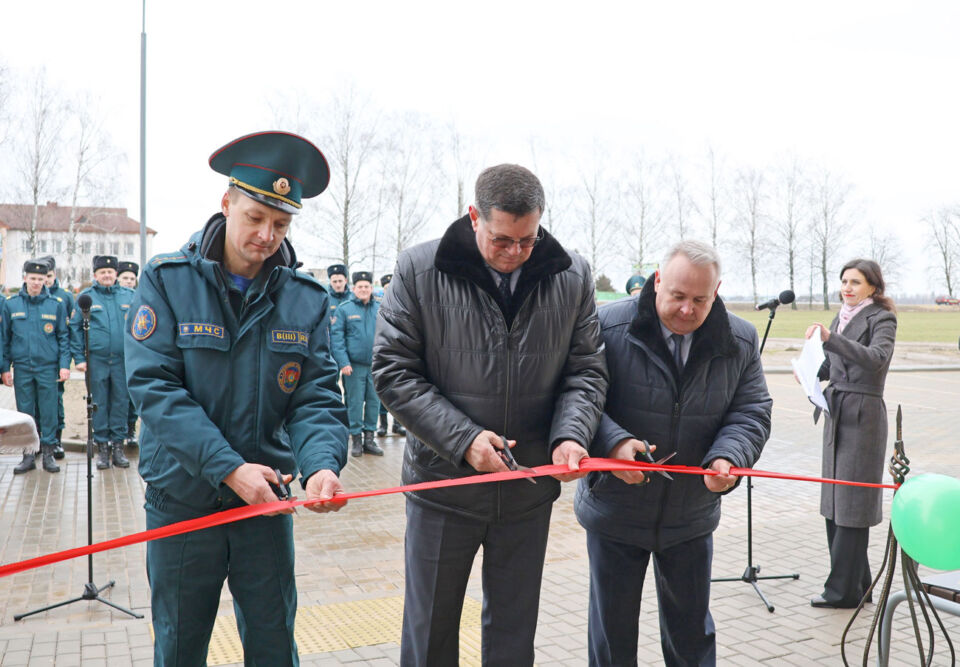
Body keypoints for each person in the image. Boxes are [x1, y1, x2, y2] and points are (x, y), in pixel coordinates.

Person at [124, 130, 349, 666]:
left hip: (266, 504)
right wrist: (229, 469)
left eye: (281, 223)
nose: (267, 236)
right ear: (226, 204)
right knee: (180, 646)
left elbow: (315, 397)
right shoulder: (167, 281)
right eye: (255, 218)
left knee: (274, 645)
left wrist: (320, 466)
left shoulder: (305, 299)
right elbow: (155, 389)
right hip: (183, 501)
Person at [373, 163, 608, 666]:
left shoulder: (571, 275)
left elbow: (586, 371)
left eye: (527, 240)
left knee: (513, 637)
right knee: (430, 632)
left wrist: (571, 435)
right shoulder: (419, 270)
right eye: (502, 240)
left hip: (527, 491)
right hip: (443, 490)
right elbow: (393, 371)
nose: (515, 253)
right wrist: (464, 441)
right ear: (474, 216)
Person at [574, 240, 772, 666]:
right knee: (612, 636)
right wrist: (615, 443)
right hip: (615, 511)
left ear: (717, 291)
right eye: (678, 296)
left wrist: (728, 457)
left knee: (691, 636)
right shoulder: (605, 326)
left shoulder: (740, 338)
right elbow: (580, 400)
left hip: (691, 514)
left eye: (700, 299)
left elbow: (752, 410)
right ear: (657, 281)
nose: (687, 310)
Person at [804, 258, 896, 609]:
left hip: (863, 414)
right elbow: (835, 365)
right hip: (836, 410)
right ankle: (858, 584)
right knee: (835, 501)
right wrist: (811, 370)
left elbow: (875, 358)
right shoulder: (841, 316)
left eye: (855, 282)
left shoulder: (882, 318)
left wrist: (832, 340)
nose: (847, 287)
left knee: (853, 504)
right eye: (844, 281)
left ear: (873, 286)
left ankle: (841, 592)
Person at [1, 259, 72, 474]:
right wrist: (5, 368)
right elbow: (4, 339)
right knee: (26, 412)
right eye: (33, 278)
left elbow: (63, 338)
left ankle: (48, 453)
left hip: (47, 368)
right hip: (22, 368)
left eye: (41, 279)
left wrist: (64, 365)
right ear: (25, 278)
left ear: (46, 280)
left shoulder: (56, 304)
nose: (36, 283)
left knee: (49, 411)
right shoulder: (11, 304)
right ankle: (28, 455)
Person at [71, 255, 134, 470]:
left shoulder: (130, 296)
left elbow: (139, 328)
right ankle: (103, 450)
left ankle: (118, 447)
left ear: (116, 274)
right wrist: (79, 358)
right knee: (98, 404)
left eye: (110, 271)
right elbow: (75, 329)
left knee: (120, 403)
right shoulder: (86, 298)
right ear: (95, 275)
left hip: (123, 361)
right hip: (96, 361)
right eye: (102, 272)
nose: (107, 275)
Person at [330, 271, 383, 457]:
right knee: (355, 403)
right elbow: (337, 339)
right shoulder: (345, 309)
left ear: (371, 288)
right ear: (354, 289)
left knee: (374, 403)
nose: (363, 289)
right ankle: (356, 440)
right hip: (354, 366)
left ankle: (370, 438)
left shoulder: (381, 308)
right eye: (360, 286)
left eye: (367, 286)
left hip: (377, 366)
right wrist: (343, 362)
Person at [40, 255, 74, 459]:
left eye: (49, 276)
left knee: (56, 401)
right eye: (43, 276)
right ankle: (37, 441)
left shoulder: (64, 296)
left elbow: (69, 330)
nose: (46, 281)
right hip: (37, 362)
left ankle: (57, 440)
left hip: (57, 359)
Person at [375, 273, 405, 438]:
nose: (389, 291)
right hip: (383, 354)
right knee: (383, 393)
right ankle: (383, 425)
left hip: (401, 355)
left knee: (400, 393)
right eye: (386, 289)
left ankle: (398, 424)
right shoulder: (378, 307)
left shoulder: (404, 305)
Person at [117, 261, 140, 446]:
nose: (129, 281)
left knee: (133, 396)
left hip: (134, 356)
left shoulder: (139, 297)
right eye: (125, 278)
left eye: (132, 279)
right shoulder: (116, 298)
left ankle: (131, 429)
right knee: (118, 397)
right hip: (115, 357)